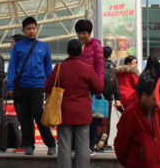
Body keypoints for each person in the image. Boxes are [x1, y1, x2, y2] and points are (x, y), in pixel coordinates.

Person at [45, 39, 103, 168]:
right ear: (81, 52)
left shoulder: (59, 68)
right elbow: (98, 88)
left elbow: (48, 87)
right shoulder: (87, 68)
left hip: (63, 111)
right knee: (82, 146)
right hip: (83, 111)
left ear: (67, 51)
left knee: (64, 146)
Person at [6, 17, 56, 156]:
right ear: (23, 30)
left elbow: (48, 69)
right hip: (22, 87)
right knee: (25, 116)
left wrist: (49, 87)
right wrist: (10, 87)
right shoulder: (18, 46)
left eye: (33, 28)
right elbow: (12, 68)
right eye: (28, 29)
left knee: (38, 113)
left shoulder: (43, 46)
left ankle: (51, 144)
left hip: (38, 86)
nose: (31, 31)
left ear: (37, 29)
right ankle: (28, 145)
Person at [114, 81, 160, 168]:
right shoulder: (130, 113)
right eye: (154, 99)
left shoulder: (155, 112)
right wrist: (127, 163)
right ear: (144, 95)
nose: (156, 102)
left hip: (158, 164)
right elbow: (121, 143)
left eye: (158, 99)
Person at [75, 19, 104, 155]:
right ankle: (79, 146)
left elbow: (100, 67)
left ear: (89, 32)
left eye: (84, 33)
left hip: (92, 88)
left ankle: (91, 146)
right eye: (79, 33)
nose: (81, 36)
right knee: (79, 117)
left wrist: (98, 87)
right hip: (80, 87)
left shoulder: (96, 46)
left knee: (93, 117)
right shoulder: (78, 46)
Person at [136, 54, 160, 152]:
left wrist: (142, 96)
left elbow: (138, 87)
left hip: (147, 99)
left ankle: (149, 144)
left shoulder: (144, 73)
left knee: (148, 122)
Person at [96, 46, 121, 151]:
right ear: (110, 55)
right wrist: (117, 98)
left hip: (97, 96)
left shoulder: (98, 65)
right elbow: (116, 84)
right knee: (106, 120)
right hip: (108, 97)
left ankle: (96, 138)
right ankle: (104, 142)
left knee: (96, 118)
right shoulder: (113, 66)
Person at [9, 33, 25, 154]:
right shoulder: (15, 55)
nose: (11, 44)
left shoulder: (19, 56)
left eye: (12, 42)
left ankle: (24, 144)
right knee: (22, 117)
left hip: (21, 90)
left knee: (24, 117)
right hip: (19, 89)